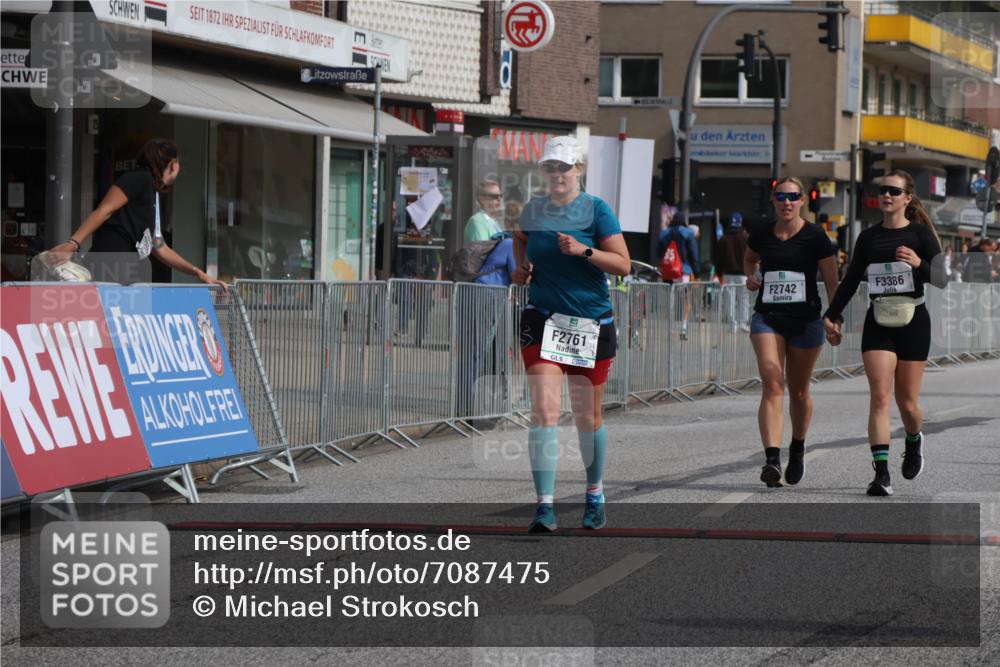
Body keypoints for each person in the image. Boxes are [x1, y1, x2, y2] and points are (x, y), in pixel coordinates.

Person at [512, 136, 631, 532]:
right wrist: (521, 268)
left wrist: (583, 251)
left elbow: (623, 265)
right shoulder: (534, 209)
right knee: (545, 410)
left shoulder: (597, 210)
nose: (557, 174)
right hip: (543, 319)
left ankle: (594, 492)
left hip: (590, 323)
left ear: (578, 169)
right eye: (550, 167)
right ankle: (544, 505)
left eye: (564, 167)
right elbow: (520, 237)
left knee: (587, 416)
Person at [823, 170, 946, 496]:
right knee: (879, 397)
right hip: (878, 320)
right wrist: (832, 315)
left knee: (907, 404)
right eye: (883, 190)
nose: (887, 195)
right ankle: (881, 474)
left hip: (913, 321)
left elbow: (942, 278)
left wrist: (919, 263)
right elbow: (850, 281)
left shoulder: (920, 234)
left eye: (894, 190)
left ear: (907, 198)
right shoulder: (868, 238)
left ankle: (914, 438)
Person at [744, 177, 840, 487]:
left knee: (799, 391)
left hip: (806, 321)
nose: (787, 201)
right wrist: (752, 277)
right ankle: (772, 459)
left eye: (793, 196)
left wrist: (834, 317)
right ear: (773, 200)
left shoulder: (815, 237)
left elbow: (831, 281)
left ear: (802, 201)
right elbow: (749, 258)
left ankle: (797, 447)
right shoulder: (762, 234)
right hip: (767, 318)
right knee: (772, 382)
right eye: (781, 196)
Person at [48, 139, 225, 286]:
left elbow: (159, 246)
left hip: (127, 271)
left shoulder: (154, 191)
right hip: (109, 264)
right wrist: (72, 244)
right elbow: (104, 210)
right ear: (173, 164)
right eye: (178, 163)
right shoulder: (138, 178)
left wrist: (198, 273)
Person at [656, 211, 700, 339]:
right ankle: (683, 328)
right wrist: (696, 273)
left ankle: (671, 329)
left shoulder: (664, 233)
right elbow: (694, 255)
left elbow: (658, 253)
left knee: (671, 299)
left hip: (668, 271)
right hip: (684, 272)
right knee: (686, 300)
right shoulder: (688, 233)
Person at [716, 212, 750, 331]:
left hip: (728, 273)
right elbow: (752, 257)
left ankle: (732, 324)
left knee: (729, 299)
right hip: (743, 274)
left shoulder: (723, 239)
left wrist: (719, 273)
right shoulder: (746, 238)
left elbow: (719, 259)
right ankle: (743, 323)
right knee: (744, 299)